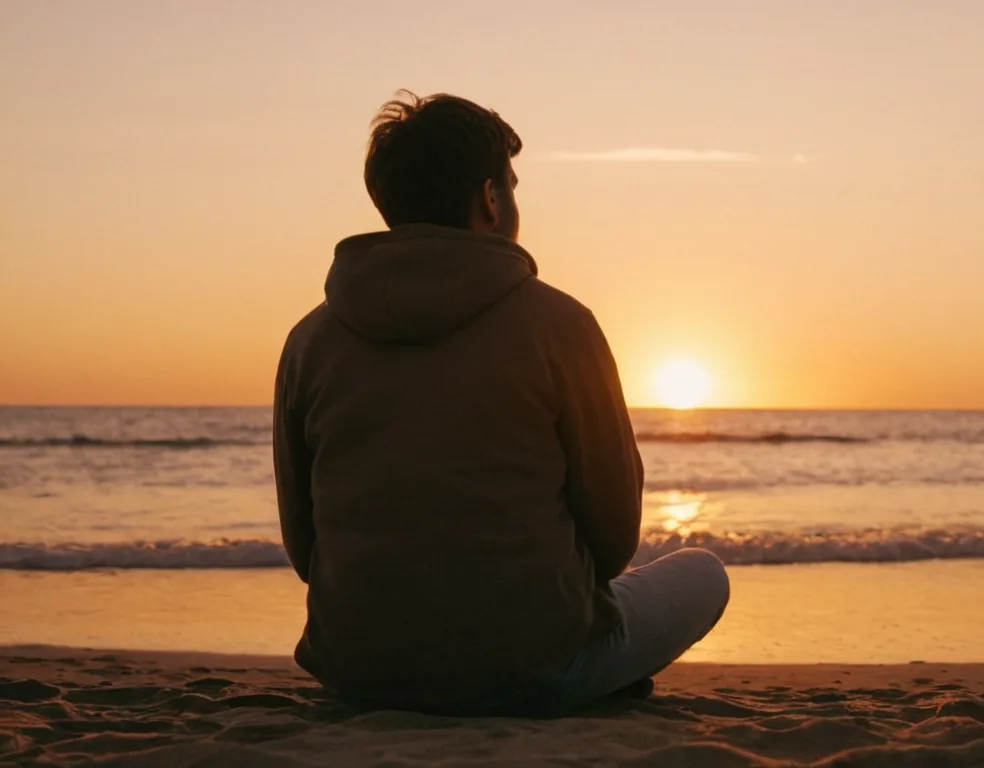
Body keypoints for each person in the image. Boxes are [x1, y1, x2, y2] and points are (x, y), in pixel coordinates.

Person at [272, 91, 729, 715]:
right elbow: (615, 538)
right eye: (510, 187)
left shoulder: (309, 341)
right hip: (533, 672)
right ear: (490, 199)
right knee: (703, 573)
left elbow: (305, 549)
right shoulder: (561, 325)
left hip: (357, 673)